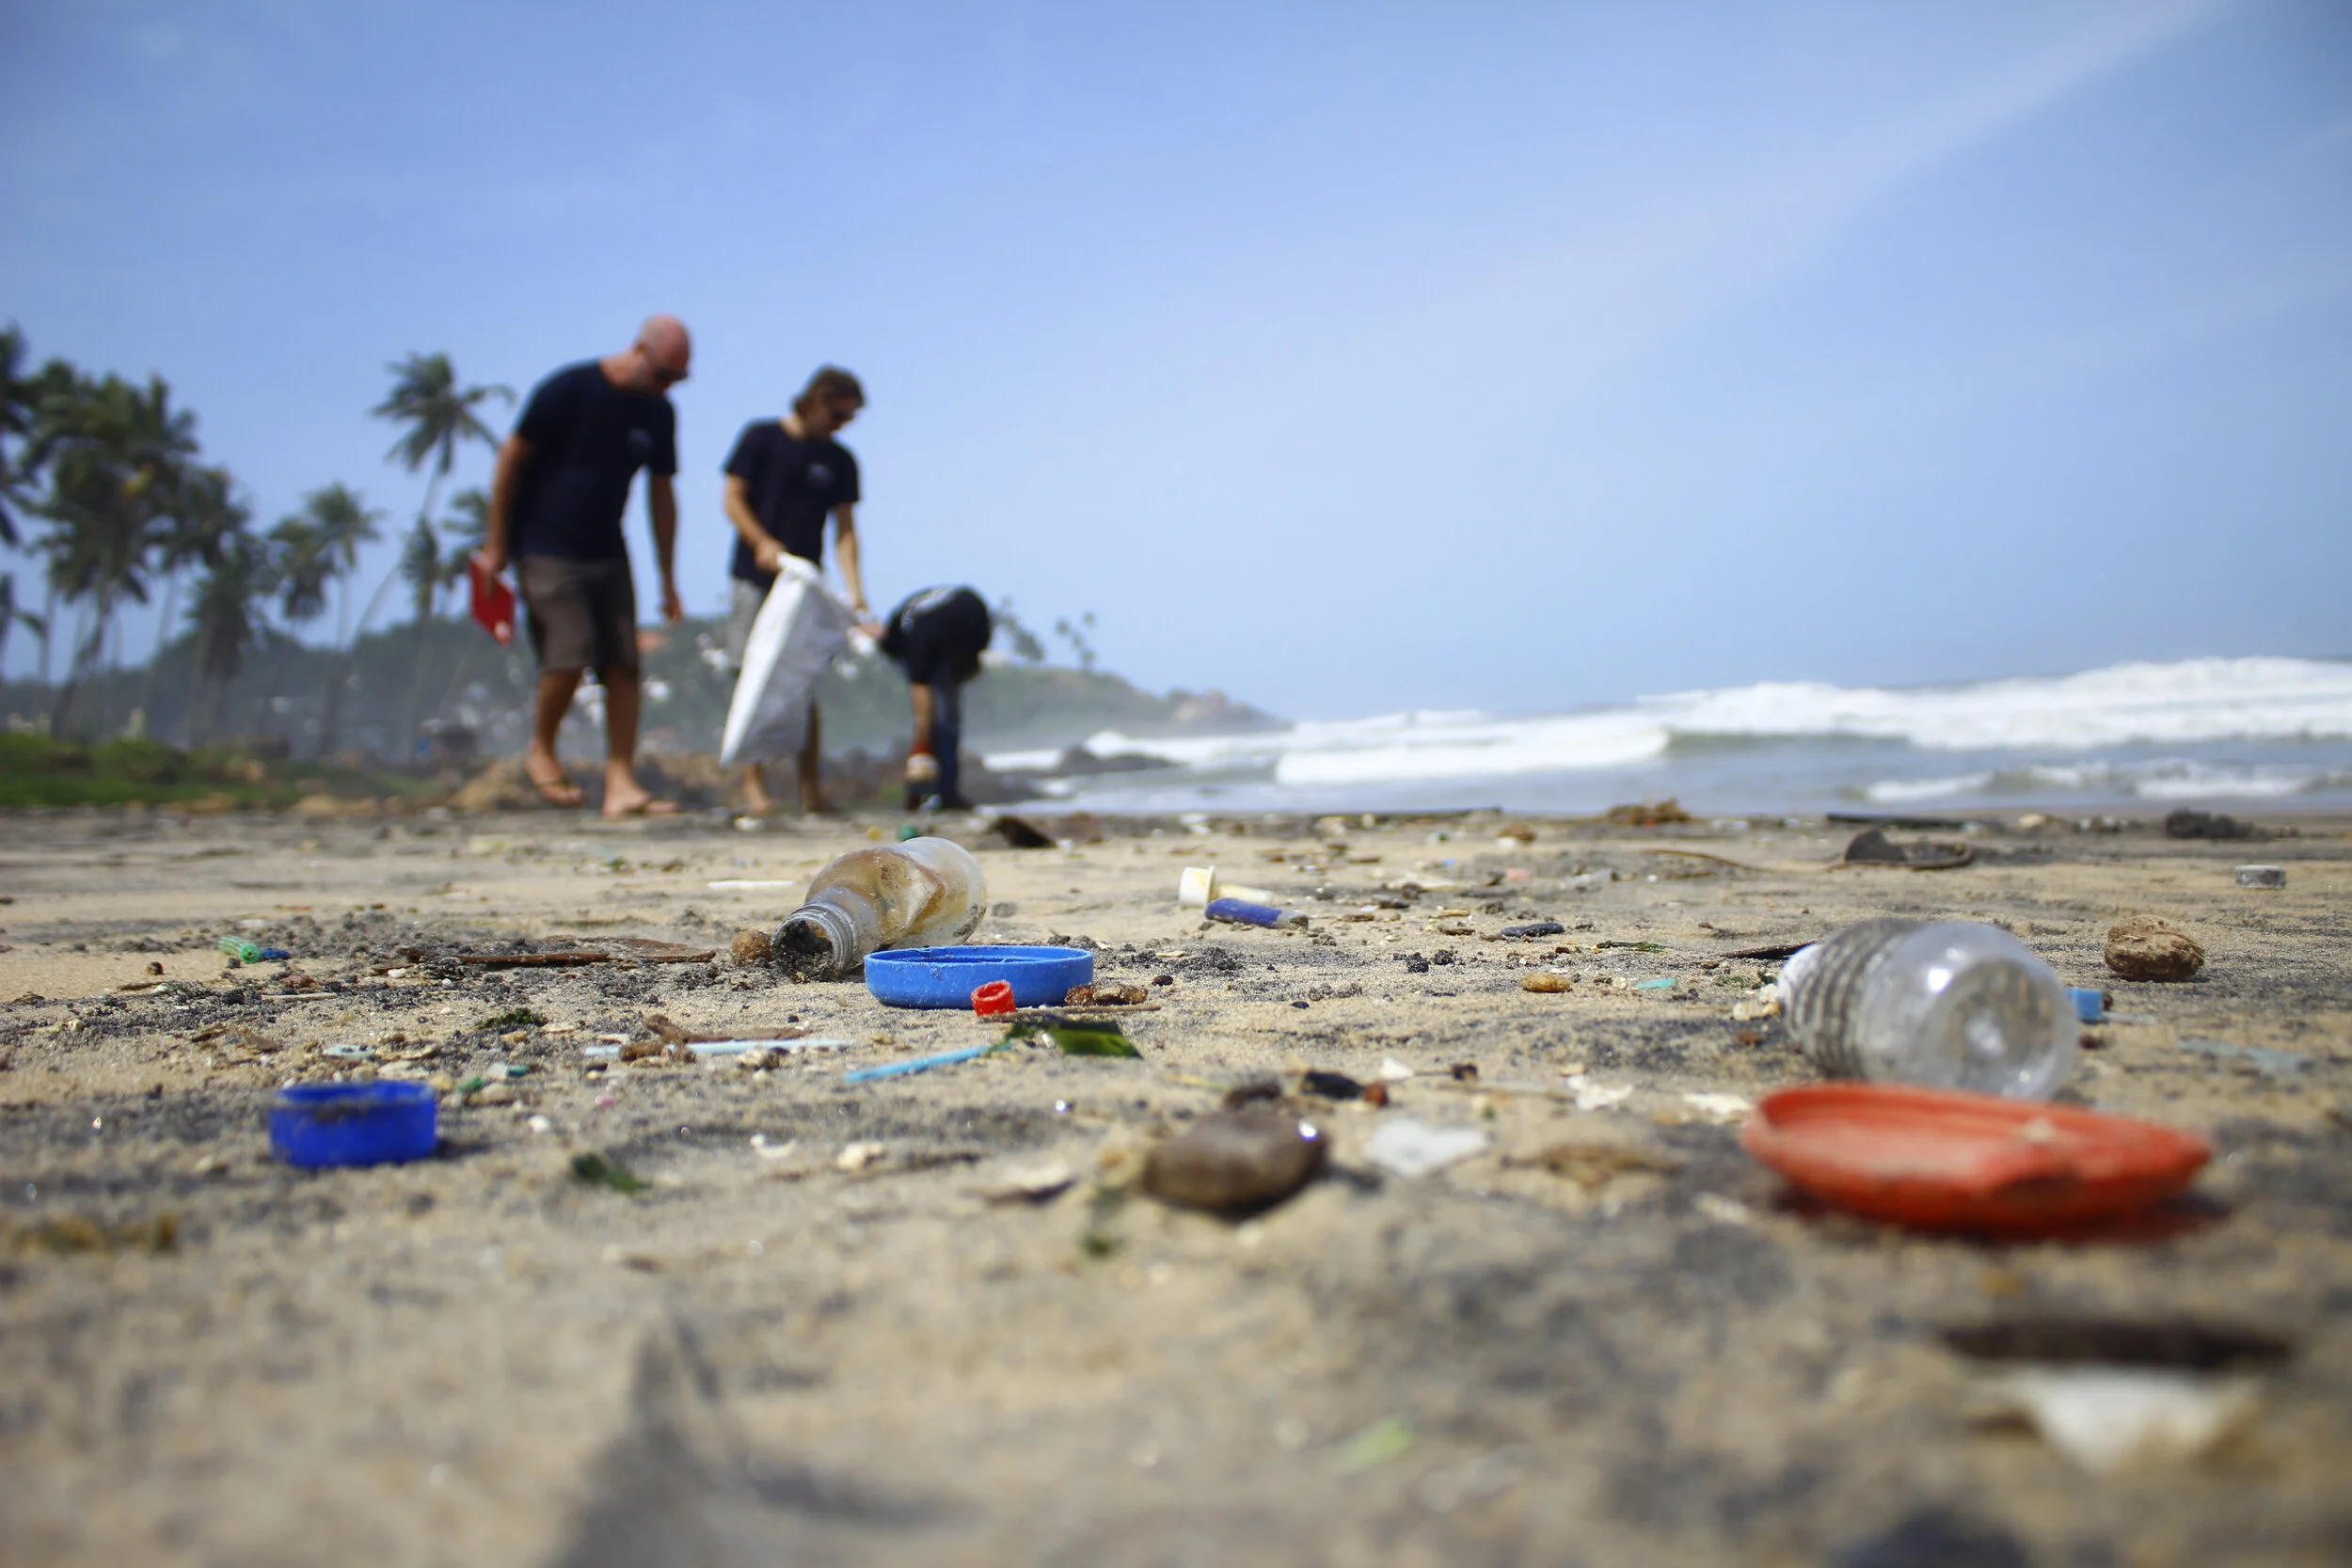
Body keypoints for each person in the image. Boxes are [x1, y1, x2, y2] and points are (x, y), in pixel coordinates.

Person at [475, 315, 690, 817]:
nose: (667, 387)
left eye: (678, 380)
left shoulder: (659, 414)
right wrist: (495, 547)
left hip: (608, 548)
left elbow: (662, 495)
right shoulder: (569, 389)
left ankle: (621, 782)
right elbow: (511, 458)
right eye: (663, 375)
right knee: (569, 650)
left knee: (623, 665)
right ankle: (542, 749)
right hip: (546, 545)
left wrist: (668, 576)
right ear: (638, 350)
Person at [720, 366, 869, 814]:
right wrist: (761, 541)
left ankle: (810, 789)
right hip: (755, 576)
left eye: (850, 419)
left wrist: (856, 590)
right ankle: (753, 787)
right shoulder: (761, 438)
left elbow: (845, 530)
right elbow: (732, 497)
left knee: (803, 682)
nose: (841, 425)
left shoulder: (841, 461)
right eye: (839, 414)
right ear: (818, 399)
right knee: (753, 676)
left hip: (805, 585)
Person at [879, 585, 993, 811]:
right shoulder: (916, 646)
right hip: (928, 634)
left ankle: (942, 791)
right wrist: (922, 746)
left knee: (945, 718)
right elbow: (923, 708)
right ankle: (938, 791)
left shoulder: (974, 627)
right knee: (940, 722)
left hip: (954, 620)